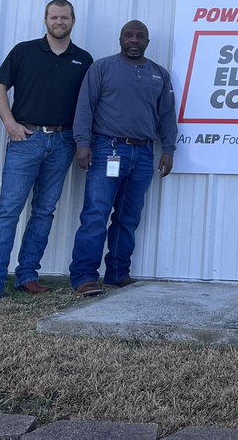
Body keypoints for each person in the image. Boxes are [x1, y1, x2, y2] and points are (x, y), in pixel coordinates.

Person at [0, 0, 92, 301]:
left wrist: (81, 141)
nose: (59, 21)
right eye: (54, 17)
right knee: (8, 211)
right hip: (25, 140)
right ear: (45, 20)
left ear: (73, 21)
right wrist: (10, 123)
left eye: (65, 17)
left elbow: (87, 104)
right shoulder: (24, 51)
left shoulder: (84, 59)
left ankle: (27, 275)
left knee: (44, 212)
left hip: (63, 142)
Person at [68, 20, 177, 296]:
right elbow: (85, 107)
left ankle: (117, 274)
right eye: (129, 35)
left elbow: (166, 114)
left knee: (128, 218)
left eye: (140, 36)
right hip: (107, 149)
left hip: (143, 154)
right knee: (96, 214)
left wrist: (168, 149)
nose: (134, 40)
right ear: (120, 39)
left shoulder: (159, 74)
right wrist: (82, 143)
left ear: (147, 42)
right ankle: (84, 277)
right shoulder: (102, 68)